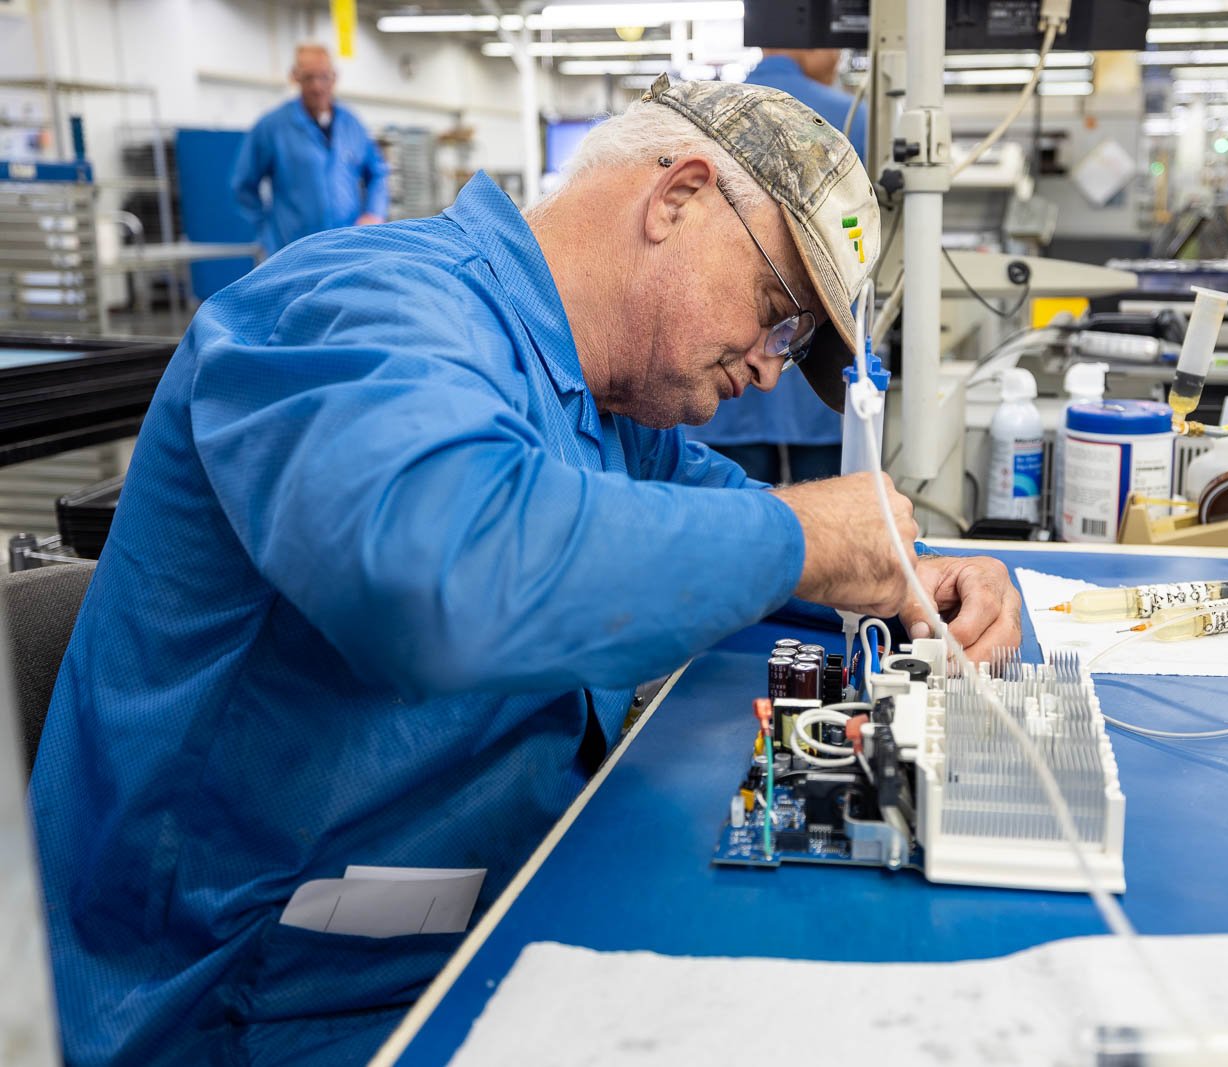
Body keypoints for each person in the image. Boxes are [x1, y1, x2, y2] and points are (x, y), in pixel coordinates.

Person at [31, 77, 1021, 1066]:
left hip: (464, 925)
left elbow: (725, 518)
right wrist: (810, 534)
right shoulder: (358, 306)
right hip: (251, 1001)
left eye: (793, 344)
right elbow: (443, 577)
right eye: (774, 313)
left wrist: (908, 571)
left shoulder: (606, 402)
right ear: (674, 197)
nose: (767, 369)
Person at [684, 49, 866, 484]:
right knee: (826, 526)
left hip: (721, 376)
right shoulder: (851, 118)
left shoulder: (698, 112)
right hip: (815, 365)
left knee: (728, 513)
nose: (840, 56)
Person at [232, 43, 390, 255]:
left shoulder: (352, 125)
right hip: (295, 252)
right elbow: (244, 186)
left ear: (334, 77)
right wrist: (266, 235)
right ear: (294, 77)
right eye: (308, 78)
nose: (317, 87)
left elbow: (378, 173)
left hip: (349, 248)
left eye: (324, 77)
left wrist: (373, 213)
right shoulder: (273, 127)